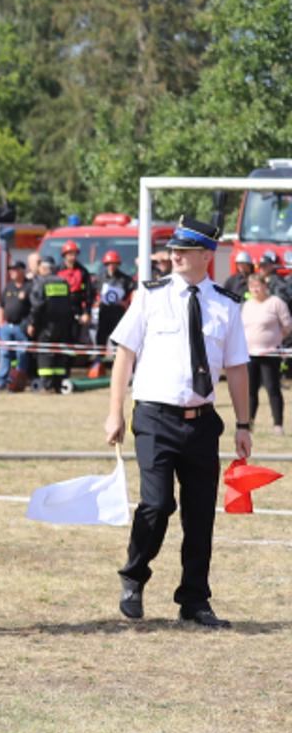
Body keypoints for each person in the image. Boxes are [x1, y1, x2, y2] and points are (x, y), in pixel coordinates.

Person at [103, 217, 251, 628]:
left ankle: (194, 599)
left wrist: (244, 424)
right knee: (156, 503)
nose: (175, 255)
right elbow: (125, 355)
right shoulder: (150, 296)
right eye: (173, 249)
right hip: (155, 417)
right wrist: (115, 411)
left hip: (202, 422)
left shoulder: (226, 304)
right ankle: (134, 577)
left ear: (206, 255)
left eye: (184, 250)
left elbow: (237, 368)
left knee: (200, 514)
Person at [243, 273, 292, 435]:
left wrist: (275, 339)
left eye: (258, 286)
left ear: (265, 286)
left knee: (272, 389)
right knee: (250, 391)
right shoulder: (247, 305)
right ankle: (248, 424)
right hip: (249, 354)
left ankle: (278, 425)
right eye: (252, 287)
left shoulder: (275, 302)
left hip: (270, 354)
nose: (255, 289)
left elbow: (287, 325)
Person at [29, 256, 77, 393]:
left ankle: (47, 386)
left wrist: (32, 323)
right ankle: (57, 384)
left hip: (45, 325)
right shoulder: (64, 282)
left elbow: (37, 305)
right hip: (63, 325)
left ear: (44, 268)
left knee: (45, 353)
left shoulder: (41, 282)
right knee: (59, 352)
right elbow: (70, 304)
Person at [0, 261, 32, 391]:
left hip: (21, 326)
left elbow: (34, 308)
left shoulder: (29, 286)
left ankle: (18, 382)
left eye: (14, 269)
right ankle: (1, 382)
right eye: (10, 270)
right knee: (4, 353)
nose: (11, 272)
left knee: (21, 354)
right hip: (7, 327)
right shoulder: (9, 286)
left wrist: (30, 324)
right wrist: (0, 324)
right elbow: (1, 306)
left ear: (22, 271)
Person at [95, 250, 136, 346]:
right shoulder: (99, 279)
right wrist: (97, 301)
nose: (111, 266)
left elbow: (132, 296)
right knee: (101, 338)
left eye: (114, 264)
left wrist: (124, 303)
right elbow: (94, 294)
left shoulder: (125, 280)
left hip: (118, 314)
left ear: (118, 264)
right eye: (109, 264)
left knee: (118, 340)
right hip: (104, 312)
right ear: (106, 264)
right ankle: (100, 355)